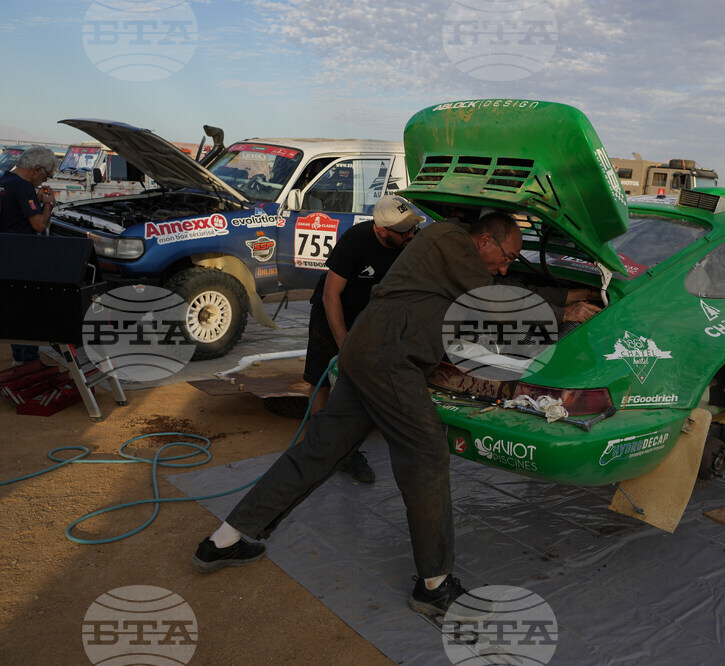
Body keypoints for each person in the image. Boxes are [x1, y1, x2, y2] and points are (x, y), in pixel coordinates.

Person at [192, 211, 538, 619]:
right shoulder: (452, 238)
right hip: (389, 361)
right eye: (508, 256)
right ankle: (434, 586)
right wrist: (569, 303)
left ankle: (224, 540)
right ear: (485, 240)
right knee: (426, 457)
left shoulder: (442, 243)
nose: (505, 266)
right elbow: (496, 302)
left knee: (319, 450)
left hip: (365, 352)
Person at [302, 194, 420, 483]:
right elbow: (331, 295)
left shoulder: (408, 244)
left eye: (413, 228)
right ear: (381, 230)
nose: (411, 235)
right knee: (321, 379)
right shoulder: (355, 240)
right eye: (404, 231)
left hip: (367, 315)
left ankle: (347, 451)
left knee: (358, 383)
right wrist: (343, 343)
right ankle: (314, 447)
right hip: (332, 310)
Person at [0, 146, 59, 366]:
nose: (45, 180)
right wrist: (48, 204)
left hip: (6, 256)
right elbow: (38, 224)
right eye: (47, 175)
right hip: (22, 258)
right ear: (37, 169)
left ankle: (20, 359)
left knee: (14, 311)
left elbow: (14, 211)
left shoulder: (5, 180)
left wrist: (33, 198)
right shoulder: (23, 186)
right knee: (28, 311)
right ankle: (29, 362)